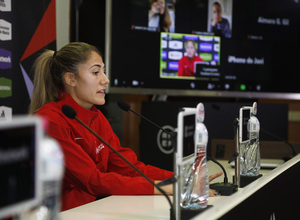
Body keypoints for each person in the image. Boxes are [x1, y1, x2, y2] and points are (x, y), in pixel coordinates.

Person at [29, 42, 222, 211]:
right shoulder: (50, 120)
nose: (105, 80)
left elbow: (130, 168)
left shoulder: (97, 117)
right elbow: (92, 180)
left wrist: (183, 178)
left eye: (103, 71)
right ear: (70, 79)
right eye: (96, 72)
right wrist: (164, 187)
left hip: (90, 210)